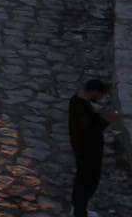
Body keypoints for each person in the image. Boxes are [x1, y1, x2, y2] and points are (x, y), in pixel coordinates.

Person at [70, 77, 116, 216]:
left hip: (82, 149)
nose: (101, 98)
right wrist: (106, 121)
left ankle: (78, 208)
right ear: (95, 92)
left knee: (81, 179)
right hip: (88, 151)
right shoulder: (82, 108)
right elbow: (90, 130)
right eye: (101, 95)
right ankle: (79, 212)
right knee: (88, 183)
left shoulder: (77, 100)